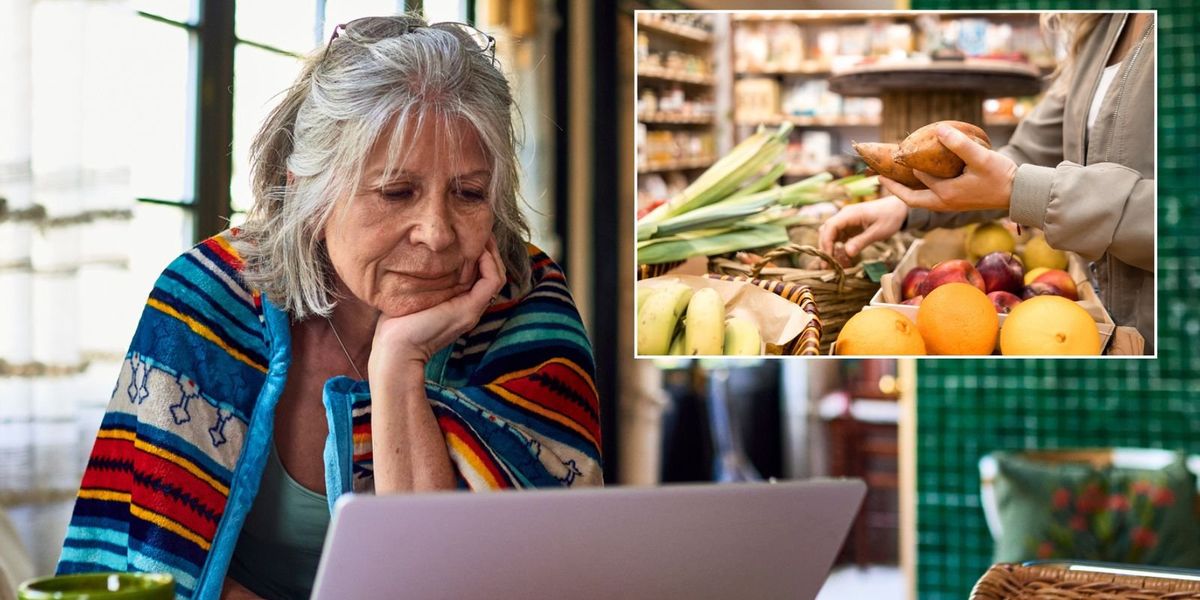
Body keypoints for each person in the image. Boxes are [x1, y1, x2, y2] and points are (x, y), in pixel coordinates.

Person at [56, 15, 602, 600]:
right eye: (397, 192)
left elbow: (484, 581)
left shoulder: (525, 305)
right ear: (309, 194)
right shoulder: (205, 299)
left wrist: (398, 365)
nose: (438, 234)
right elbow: (149, 572)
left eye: (469, 194)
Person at [820, 13, 1155, 352]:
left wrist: (1019, 190)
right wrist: (905, 208)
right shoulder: (1099, 29)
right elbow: (1028, 153)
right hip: (1081, 326)